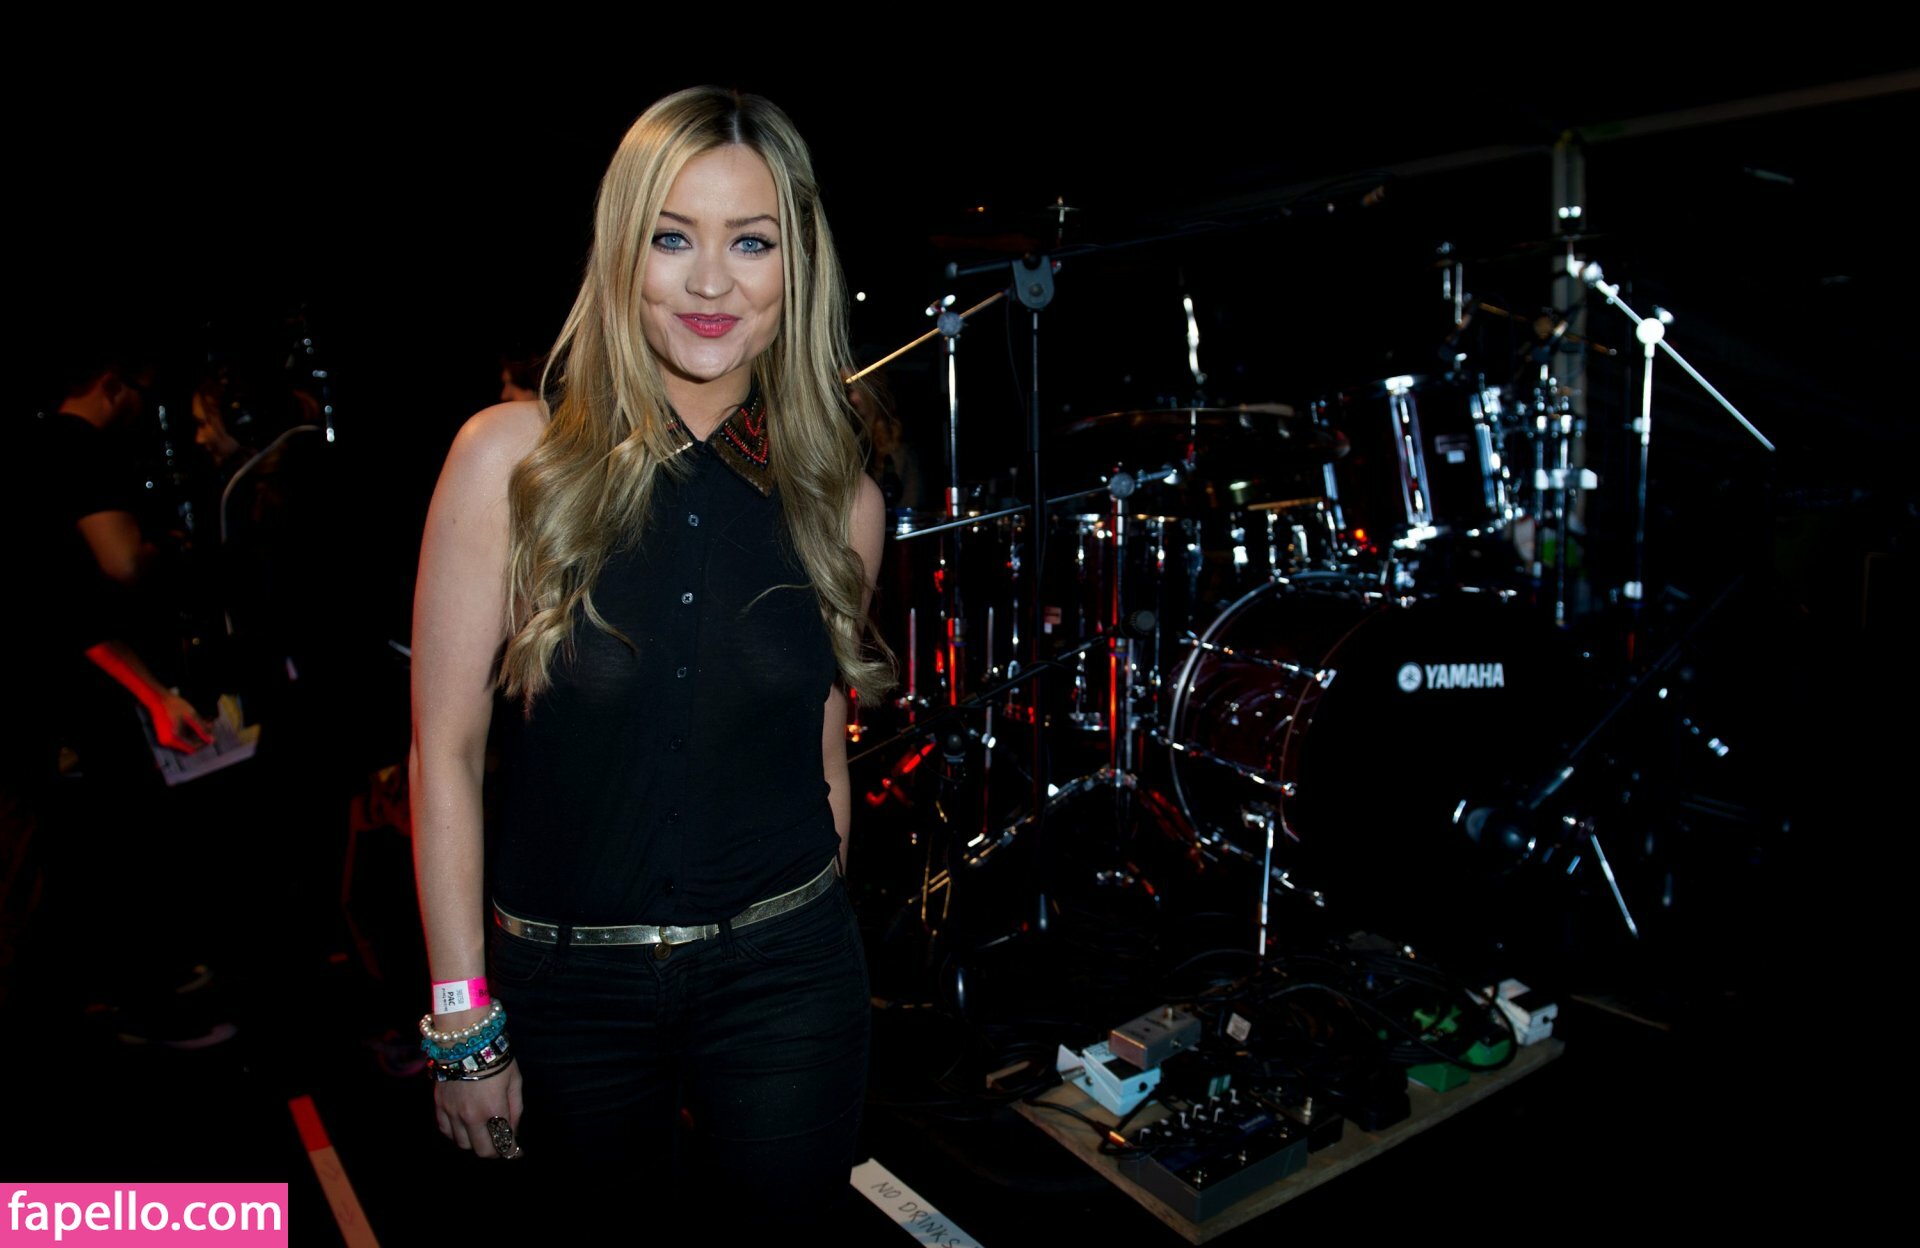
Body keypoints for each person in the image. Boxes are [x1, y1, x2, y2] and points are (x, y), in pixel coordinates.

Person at [409, 86, 890, 1226]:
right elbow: (444, 754)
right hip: (568, 992)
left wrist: (816, 946)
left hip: (784, 981)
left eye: (751, 243)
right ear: (623, 252)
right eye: (674, 238)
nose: (711, 283)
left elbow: (824, 760)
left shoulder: (844, 503)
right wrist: (464, 1018)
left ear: (797, 268)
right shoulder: (509, 461)